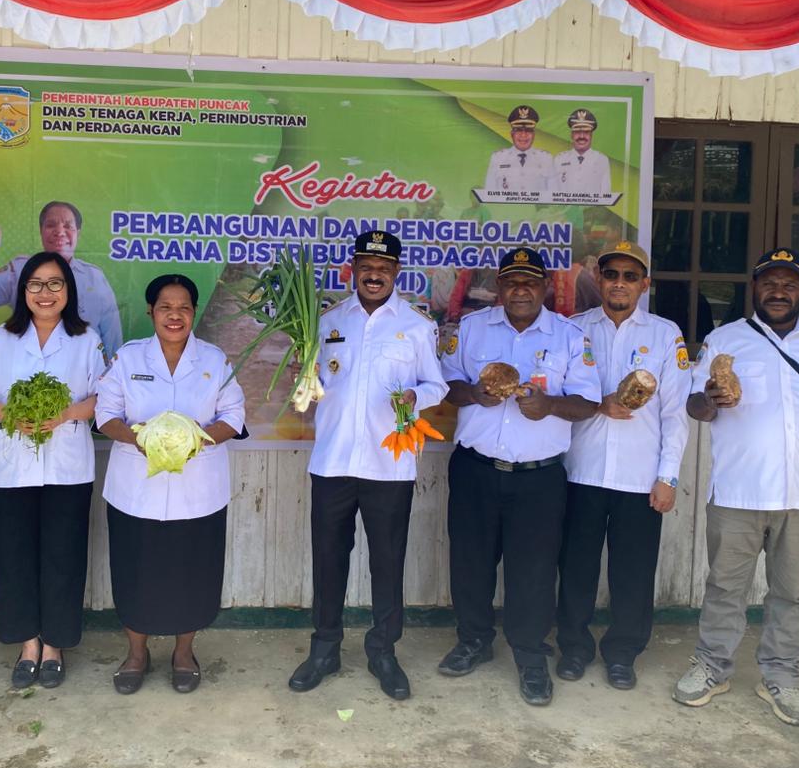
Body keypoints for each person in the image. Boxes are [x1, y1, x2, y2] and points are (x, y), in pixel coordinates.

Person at [674, 248, 799, 728]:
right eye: (770, 283)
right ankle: (712, 667)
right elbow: (695, 404)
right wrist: (709, 400)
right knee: (724, 587)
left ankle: (781, 676)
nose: (779, 292)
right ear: (755, 288)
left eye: (789, 284)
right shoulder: (724, 340)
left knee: (792, 593)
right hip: (738, 491)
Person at [438, 247, 601, 706]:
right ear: (500, 287)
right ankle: (473, 640)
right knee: (470, 562)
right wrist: (474, 394)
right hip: (475, 469)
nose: (521, 290)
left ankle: (530, 655)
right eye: (512, 282)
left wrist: (550, 405)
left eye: (530, 282)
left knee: (533, 570)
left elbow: (588, 402)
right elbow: (447, 385)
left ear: (545, 287)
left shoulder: (570, 337)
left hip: (538, 478)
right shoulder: (471, 329)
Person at [288, 230, 447, 701]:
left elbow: (437, 385)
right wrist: (302, 375)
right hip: (333, 461)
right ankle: (325, 649)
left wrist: (416, 396)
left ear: (397, 272)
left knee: (387, 561)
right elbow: (310, 385)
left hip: (389, 466)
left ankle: (383, 651)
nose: (374, 275)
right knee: (328, 559)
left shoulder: (416, 326)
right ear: (353, 270)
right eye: (366, 267)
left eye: (383, 268)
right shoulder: (326, 321)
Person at [96, 274, 244, 695]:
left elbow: (234, 416)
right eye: (165, 307)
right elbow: (105, 415)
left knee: (193, 574)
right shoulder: (129, 358)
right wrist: (142, 439)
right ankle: (136, 654)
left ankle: (184, 653)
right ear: (151, 312)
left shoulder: (214, 359)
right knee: (134, 572)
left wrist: (197, 439)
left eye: (183, 308)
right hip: (135, 492)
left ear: (194, 312)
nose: (174, 315)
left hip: (198, 493)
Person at [0, 253, 106, 690]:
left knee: (63, 556)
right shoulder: (1, 339)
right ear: (23, 291)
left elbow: (104, 397)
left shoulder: (87, 340)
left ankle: (55, 645)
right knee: (15, 557)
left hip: (68, 468)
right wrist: (10, 415)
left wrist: (66, 414)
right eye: (36, 284)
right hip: (12, 470)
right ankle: (28, 644)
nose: (46, 293)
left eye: (55, 283)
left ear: (69, 291)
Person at [555, 241, 690, 690]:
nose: (619, 283)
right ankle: (573, 648)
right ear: (598, 277)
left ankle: (622, 653)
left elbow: (675, 414)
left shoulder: (665, 335)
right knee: (576, 568)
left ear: (644, 285)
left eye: (630, 277)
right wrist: (599, 404)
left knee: (632, 573)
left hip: (639, 476)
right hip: (580, 471)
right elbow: (562, 397)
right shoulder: (573, 329)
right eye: (611, 274)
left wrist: (667, 477)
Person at [0, 201, 123, 358]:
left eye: (68, 226)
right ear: (41, 231)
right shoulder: (20, 270)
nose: (59, 232)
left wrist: (110, 370)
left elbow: (112, 335)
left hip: (84, 366)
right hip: (29, 365)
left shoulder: (94, 277)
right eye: (51, 225)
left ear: (78, 233)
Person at [484, 105, 552, 194]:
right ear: (512, 134)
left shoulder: (546, 158)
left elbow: (553, 194)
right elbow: (489, 193)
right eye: (518, 130)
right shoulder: (498, 158)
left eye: (528, 130)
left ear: (534, 135)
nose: (523, 135)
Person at [550, 108, 612, 197]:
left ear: (591, 135)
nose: (582, 136)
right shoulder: (559, 159)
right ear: (571, 135)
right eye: (577, 132)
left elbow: (606, 196)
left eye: (586, 132)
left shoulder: (602, 160)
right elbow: (552, 194)